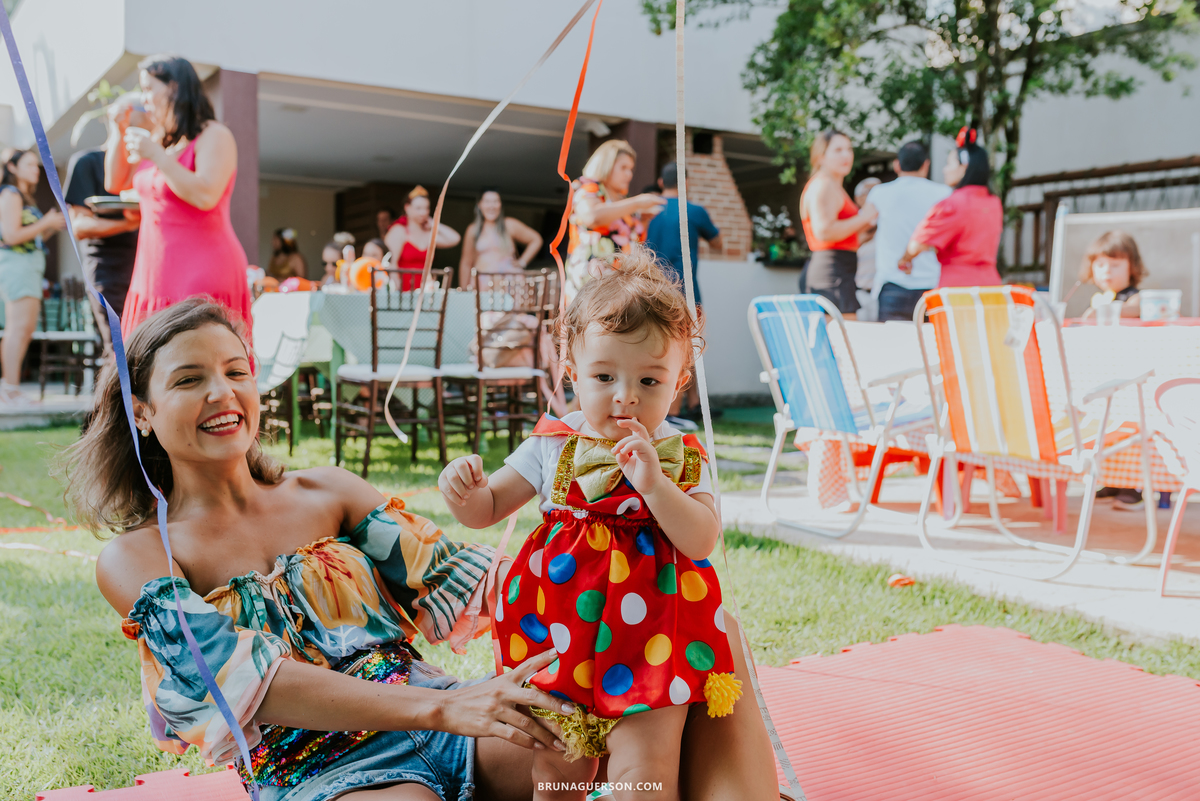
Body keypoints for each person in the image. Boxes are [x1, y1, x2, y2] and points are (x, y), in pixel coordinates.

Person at [59, 298, 780, 801]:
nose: (224, 392)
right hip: (327, 765)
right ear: (142, 411)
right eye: (190, 379)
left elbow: (466, 578)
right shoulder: (139, 557)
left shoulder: (327, 492)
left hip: (454, 717)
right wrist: (443, 709)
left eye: (237, 369)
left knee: (662, 669)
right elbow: (253, 685)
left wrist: (639, 602)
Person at [439, 247, 741, 800]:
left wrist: (656, 486)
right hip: (560, 634)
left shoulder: (679, 451)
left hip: (654, 638)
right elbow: (486, 510)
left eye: (650, 382)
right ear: (572, 371)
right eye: (604, 376)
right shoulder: (553, 442)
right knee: (556, 776)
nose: (625, 396)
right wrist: (463, 490)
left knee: (643, 777)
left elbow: (701, 539)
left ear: (678, 382)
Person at [105, 55, 251, 341]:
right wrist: (117, 129)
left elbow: (205, 195)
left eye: (149, 88)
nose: (143, 97)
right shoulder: (159, 141)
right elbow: (116, 182)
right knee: (147, 370)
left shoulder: (214, 135)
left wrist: (156, 156)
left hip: (202, 269)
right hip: (152, 271)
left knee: (201, 360)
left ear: (173, 88)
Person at [64, 95, 144, 356]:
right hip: (108, 270)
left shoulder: (147, 164)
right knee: (121, 351)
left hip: (148, 267)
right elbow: (80, 227)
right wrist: (128, 223)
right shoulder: (86, 162)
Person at [898, 128, 1003, 289]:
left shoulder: (952, 204)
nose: (944, 169)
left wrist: (905, 260)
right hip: (991, 285)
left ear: (964, 167)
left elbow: (917, 244)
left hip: (959, 289)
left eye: (949, 164)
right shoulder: (993, 202)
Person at [0, 148, 66, 405]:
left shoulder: (25, 197)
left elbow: (33, 239)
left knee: (25, 328)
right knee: (18, 328)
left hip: (28, 265)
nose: (35, 170)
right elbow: (11, 237)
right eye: (28, 165)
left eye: (36, 166)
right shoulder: (10, 194)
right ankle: (10, 388)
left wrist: (50, 226)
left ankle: (11, 387)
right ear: (12, 168)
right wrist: (45, 221)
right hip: (17, 266)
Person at [566, 139, 665, 301]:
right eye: (623, 168)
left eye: (631, 169)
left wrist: (644, 219)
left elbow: (635, 242)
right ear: (606, 165)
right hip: (591, 280)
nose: (629, 174)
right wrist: (637, 203)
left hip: (620, 284)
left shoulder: (621, 200)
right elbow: (592, 216)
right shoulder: (588, 187)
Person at [866, 141, 953, 322]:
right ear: (926, 164)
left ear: (897, 164)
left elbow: (864, 227)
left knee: (892, 348)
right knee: (932, 348)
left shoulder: (879, 193)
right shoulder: (944, 194)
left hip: (891, 285)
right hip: (932, 286)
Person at [799, 130, 878, 317]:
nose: (846, 155)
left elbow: (844, 237)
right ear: (821, 157)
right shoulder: (823, 184)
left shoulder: (833, 185)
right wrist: (864, 217)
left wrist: (868, 229)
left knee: (843, 343)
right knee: (841, 344)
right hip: (831, 273)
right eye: (838, 150)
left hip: (840, 271)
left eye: (849, 149)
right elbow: (824, 232)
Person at [644, 162, 723, 304]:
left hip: (649, 291)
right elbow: (717, 243)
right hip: (683, 293)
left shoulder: (646, 210)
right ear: (685, 183)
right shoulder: (695, 211)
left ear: (661, 182)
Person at [458, 190, 544, 288]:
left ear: (500, 205)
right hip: (482, 286)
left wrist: (522, 262)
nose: (492, 206)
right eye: (487, 202)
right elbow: (466, 262)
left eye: (495, 201)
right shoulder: (473, 230)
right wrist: (463, 289)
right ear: (479, 205)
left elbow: (536, 239)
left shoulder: (509, 225)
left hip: (510, 285)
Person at [385, 186, 461, 290]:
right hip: (403, 290)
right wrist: (396, 290)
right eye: (418, 208)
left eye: (426, 208)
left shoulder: (428, 233)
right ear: (407, 208)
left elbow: (455, 239)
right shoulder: (399, 231)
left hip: (425, 289)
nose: (423, 212)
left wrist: (435, 224)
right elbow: (392, 264)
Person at [1079, 230, 1145, 319]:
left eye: (1115, 265)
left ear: (1132, 267)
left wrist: (1103, 310)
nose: (1107, 270)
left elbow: (1137, 308)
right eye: (1100, 265)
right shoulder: (1099, 299)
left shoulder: (1134, 296)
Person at [852, 177, 881, 320]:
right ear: (858, 198)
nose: (876, 194)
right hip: (860, 293)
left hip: (883, 294)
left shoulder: (889, 220)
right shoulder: (852, 221)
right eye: (870, 191)